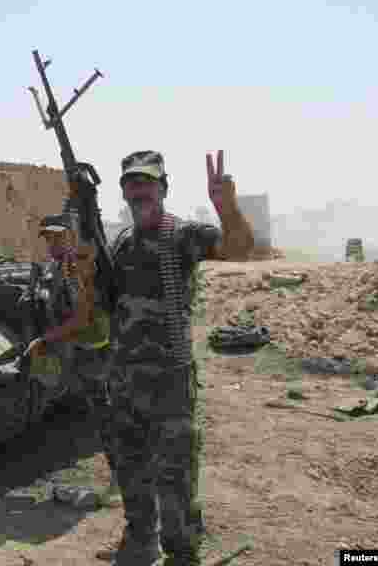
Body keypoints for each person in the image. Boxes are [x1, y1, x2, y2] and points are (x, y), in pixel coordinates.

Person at [106, 150, 255, 566]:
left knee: (176, 479)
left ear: (164, 187)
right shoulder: (119, 244)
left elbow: (240, 250)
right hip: (124, 383)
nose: (139, 191)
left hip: (169, 383)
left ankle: (182, 552)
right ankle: (140, 540)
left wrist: (227, 207)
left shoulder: (182, 236)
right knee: (130, 471)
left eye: (147, 183)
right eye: (132, 184)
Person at [29, 217, 121, 508]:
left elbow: (81, 318)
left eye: (58, 238)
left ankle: (123, 480)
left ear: (70, 237)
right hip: (83, 351)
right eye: (48, 238)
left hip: (96, 353)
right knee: (104, 415)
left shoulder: (79, 268)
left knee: (109, 418)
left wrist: (46, 340)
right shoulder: (59, 267)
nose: (52, 243)